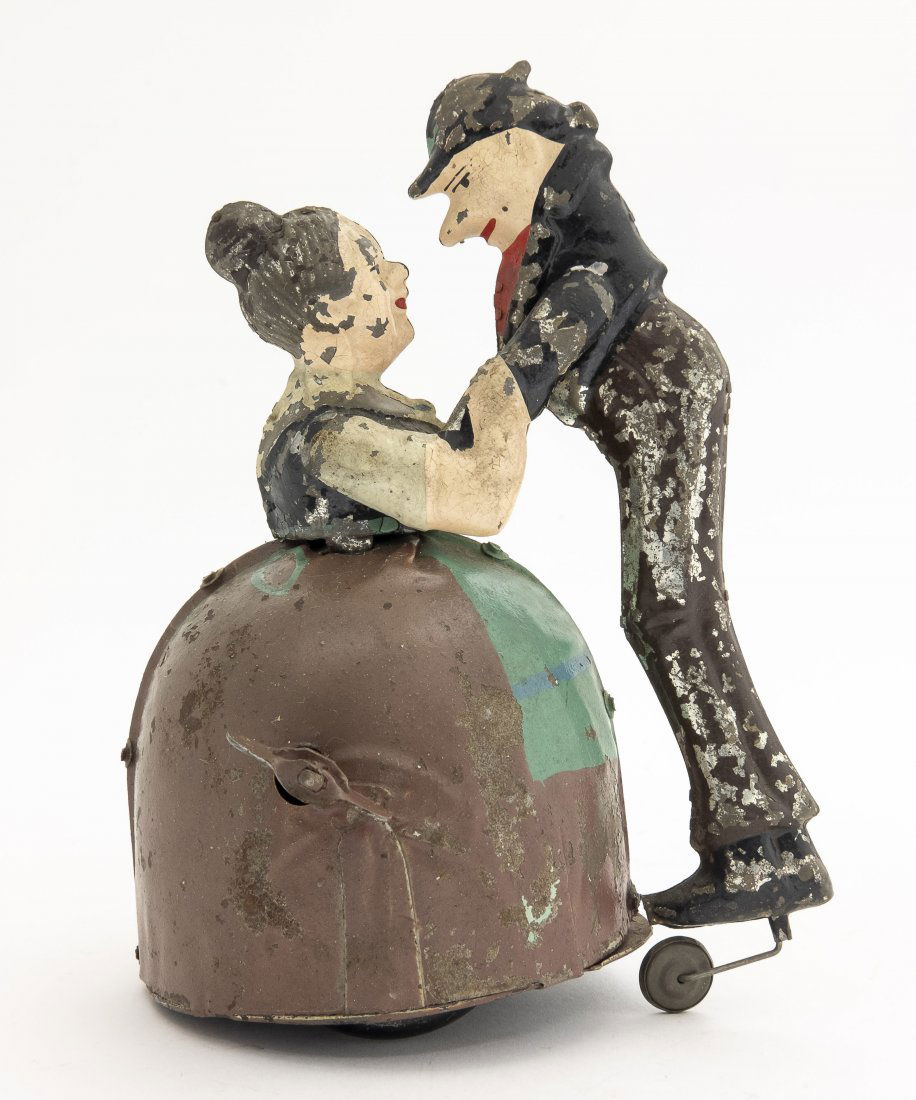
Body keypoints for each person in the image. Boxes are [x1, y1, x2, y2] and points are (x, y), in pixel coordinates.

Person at [406, 61, 832, 928]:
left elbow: (522, 375)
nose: (454, 227)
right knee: (668, 612)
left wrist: (437, 453)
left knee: (671, 611)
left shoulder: (587, 257)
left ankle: (760, 849)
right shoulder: (560, 231)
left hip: (668, 393)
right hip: (659, 401)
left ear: (513, 149)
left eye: (462, 185)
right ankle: (768, 843)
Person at [205, 202, 529, 551]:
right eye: (375, 269)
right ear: (328, 313)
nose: (399, 272)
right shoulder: (331, 440)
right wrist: (518, 372)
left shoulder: (345, 412)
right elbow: (481, 500)